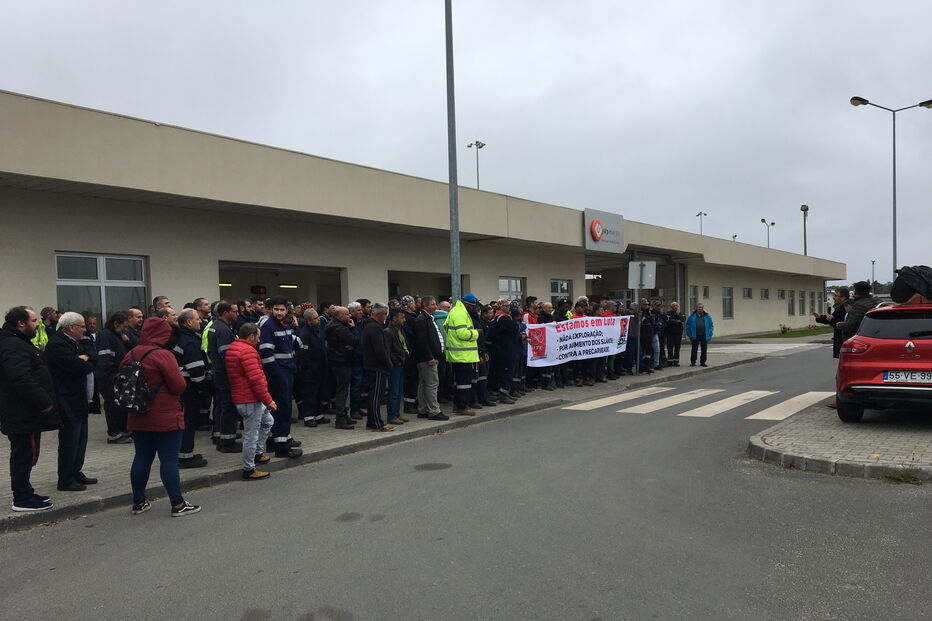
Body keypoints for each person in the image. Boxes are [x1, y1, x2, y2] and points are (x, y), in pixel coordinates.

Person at [121, 317, 200, 516]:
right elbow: (179, 386)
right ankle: (178, 503)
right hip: (165, 416)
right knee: (169, 460)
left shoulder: (130, 353)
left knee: (141, 458)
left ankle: (139, 502)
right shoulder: (163, 355)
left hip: (138, 414)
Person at [1, 306, 61, 512]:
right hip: (22, 412)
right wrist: (44, 402)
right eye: (34, 320)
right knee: (23, 455)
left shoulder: (19, 343)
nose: (38, 324)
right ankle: (21, 498)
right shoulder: (12, 345)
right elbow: (20, 378)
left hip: (26, 412)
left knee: (27, 454)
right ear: (21, 323)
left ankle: (26, 491)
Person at [44, 312, 97, 492]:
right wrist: (84, 360)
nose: (85, 329)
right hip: (66, 399)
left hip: (79, 398)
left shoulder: (77, 341)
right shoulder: (58, 344)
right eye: (82, 326)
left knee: (81, 439)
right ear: (71, 327)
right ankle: (65, 479)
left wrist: (86, 357)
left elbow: (93, 357)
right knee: (70, 441)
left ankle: (76, 471)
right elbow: (78, 368)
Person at [226, 322, 276, 480]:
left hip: (246, 397)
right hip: (249, 399)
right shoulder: (248, 351)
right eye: (258, 337)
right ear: (251, 336)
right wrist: (269, 401)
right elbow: (256, 380)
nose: (259, 340)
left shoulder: (234, 347)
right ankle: (249, 469)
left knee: (268, 421)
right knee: (251, 435)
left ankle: (257, 453)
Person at [259, 297, 301, 458]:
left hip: (286, 371)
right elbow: (266, 353)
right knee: (283, 409)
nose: (279, 312)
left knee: (279, 409)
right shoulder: (269, 326)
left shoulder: (285, 325)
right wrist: (277, 373)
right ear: (271, 310)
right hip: (279, 374)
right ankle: (282, 448)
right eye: (276, 309)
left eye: (282, 309)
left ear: (286, 311)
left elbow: (290, 344)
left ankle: (275, 441)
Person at [174, 309, 208, 468]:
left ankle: (185, 452)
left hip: (183, 386)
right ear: (188, 322)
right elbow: (196, 369)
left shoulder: (183, 337)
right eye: (197, 319)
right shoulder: (189, 341)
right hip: (189, 388)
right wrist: (202, 387)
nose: (200, 321)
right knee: (189, 420)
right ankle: (185, 456)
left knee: (186, 420)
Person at [206, 301, 241, 452]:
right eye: (234, 311)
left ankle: (221, 438)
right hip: (225, 374)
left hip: (218, 372)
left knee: (221, 406)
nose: (237, 314)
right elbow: (228, 356)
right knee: (228, 407)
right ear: (226, 313)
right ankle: (228, 442)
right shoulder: (224, 330)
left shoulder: (215, 327)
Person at [97, 311, 131, 443]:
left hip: (118, 377)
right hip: (109, 378)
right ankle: (114, 434)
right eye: (124, 326)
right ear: (115, 323)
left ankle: (123, 430)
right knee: (111, 406)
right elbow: (105, 359)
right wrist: (113, 377)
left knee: (120, 406)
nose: (125, 330)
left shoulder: (117, 335)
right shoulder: (105, 335)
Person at [444, 294, 481, 416]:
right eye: (473, 306)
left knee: (459, 382)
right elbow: (462, 334)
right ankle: (462, 406)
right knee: (464, 383)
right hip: (462, 355)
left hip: (460, 354)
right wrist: (476, 333)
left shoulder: (458, 311)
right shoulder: (459, 313)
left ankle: (458, 405)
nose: (473, 309)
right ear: (468, 304)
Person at [360, 303, 394, 431]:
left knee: (374, 395)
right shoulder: (374, 328)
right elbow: (380, 350)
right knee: (375, 396)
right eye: (385, 314)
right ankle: (376, 423)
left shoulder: (371, 326)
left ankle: (372, 421)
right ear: (379, 314)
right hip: (377, 366)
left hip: (373, 365)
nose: (385, 317)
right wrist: (388, 363)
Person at [412, 296, 448, 420]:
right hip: (427, 359)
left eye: (435, 304)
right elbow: (422, 341)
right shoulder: (422, 320)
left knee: (424, 384)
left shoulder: (428, 319)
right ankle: (434, 410)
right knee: (432, 384)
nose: (435, 306)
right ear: (425, 306)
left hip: (430, 357)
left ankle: (423, 409)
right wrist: (430, 357)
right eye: (432, 304)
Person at [325, 306, 359, 430]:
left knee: (342, 390)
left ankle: (344, 415)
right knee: (342, 391)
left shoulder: (331, 326)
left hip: (336, 360)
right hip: (342, 361)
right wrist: (353, 328)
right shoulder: (340, 329)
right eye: (347, 315)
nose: (349, 317)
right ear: (339, 316)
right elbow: (355, 340)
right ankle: (341, 419)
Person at [295, 308, 329, 428]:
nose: (318, 320)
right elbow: (303, 354)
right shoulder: (304, 334)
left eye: (318, 317)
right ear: (309, 321)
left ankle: (318, 414)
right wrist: (308, 368)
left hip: (320, 367)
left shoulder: (317, 331)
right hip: (309, 370)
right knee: (310, 393)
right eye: (315, 318)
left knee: (319, 391)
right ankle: (308, 416)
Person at [685, 302, 714, 367]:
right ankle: (693, 362)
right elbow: (688, 325)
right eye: (698, 307)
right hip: (695, 335)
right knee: (694, 349)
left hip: (704, 335)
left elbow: (711, 325)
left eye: (701, 307)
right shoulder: (692, 316)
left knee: (704, 349)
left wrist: (710, 333)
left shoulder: (707, 316)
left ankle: (703, 362)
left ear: (703, 308)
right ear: (696, 308)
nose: (700, 309)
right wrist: (689, 334)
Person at [664, 301, 686, 366]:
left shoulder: (680, 313)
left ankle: (676, 361)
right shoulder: (668, 313)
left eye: (676, 306)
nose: (675, 307)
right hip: (670, 333)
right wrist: (677, 321)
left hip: (678, 333)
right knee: (670, 347)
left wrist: (678, 315)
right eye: (673, 306)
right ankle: (670, 361)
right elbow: (669, 321)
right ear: (671, 307)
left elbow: (683, 319)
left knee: (677, 347)